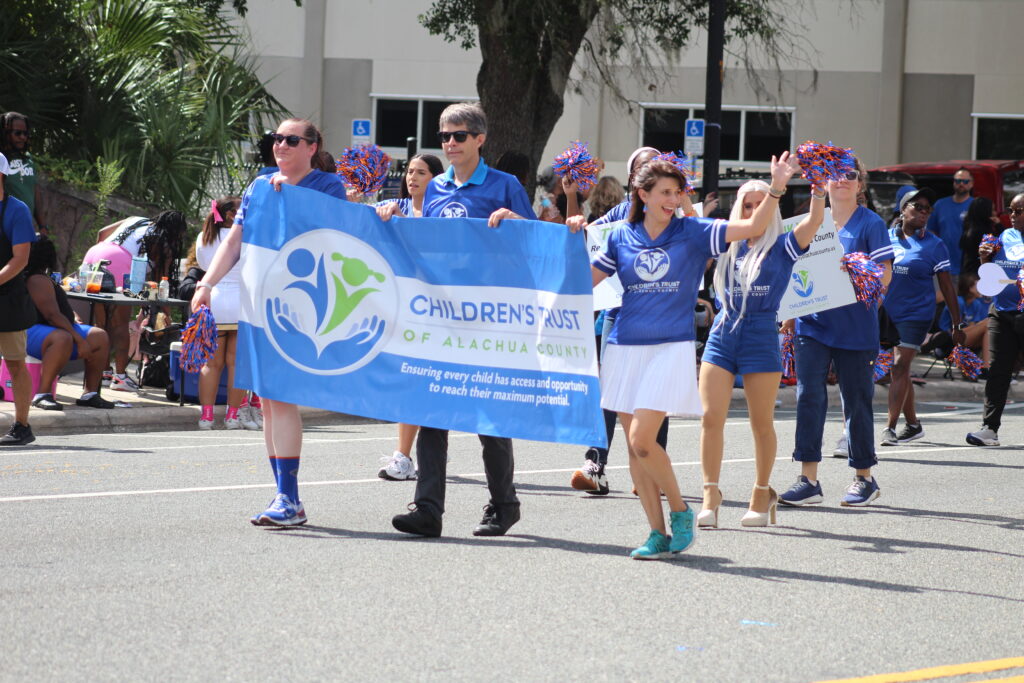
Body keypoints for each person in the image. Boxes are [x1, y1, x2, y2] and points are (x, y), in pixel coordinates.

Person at [579, 153, 799, 559]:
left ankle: (681, 512)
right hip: (623, 349)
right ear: (641, 194)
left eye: (677, 192)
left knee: (643, 439)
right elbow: (579, 283)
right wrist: (553, 231)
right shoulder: (618, 238)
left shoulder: (695, 231)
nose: (673, 198)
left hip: (670, 348)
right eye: (664, 192)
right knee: (634, 450)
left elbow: (752, 225)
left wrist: (776, 187)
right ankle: (656, 533)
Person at [379, 101, 535, 538]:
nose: (449, 143)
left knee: (489, 419)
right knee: (432, 409)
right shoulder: (434, 189)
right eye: (444, 135)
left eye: (459, 135)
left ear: (480, 139)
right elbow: (423, 247)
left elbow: (538, 240)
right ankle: (427, 509)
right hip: (440, 317)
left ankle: (504, 504)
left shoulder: (504, 185)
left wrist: (516, 220)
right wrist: (396, 217)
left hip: (487, 319)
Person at [193, 118, 348, 526]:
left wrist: (290, 201)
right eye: (276, 139)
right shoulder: (260, 185)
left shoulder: (327, 186)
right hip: (258, 303)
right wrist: (206, 283)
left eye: (291, 140)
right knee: (267, 398)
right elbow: (235, 239)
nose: (281, 145)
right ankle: (283, 495)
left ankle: (289, 498)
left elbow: (333, 235)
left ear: (312, 147)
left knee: (280, 398)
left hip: (300, 306)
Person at [698, 178, 826, 528]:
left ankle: (761, 492)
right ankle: (711, 494)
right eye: (748, 205)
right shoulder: (726, 242)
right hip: (723, 333)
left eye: (760, 204)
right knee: (710, 417)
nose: (754, 210)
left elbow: (814, 222)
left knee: (761, 423)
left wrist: (818, 188)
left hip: (760, 333)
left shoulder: (783, 245)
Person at [780, 160, 894, 508]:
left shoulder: (871, 223)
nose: (842, 180)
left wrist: (861, 278)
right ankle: (808, 479)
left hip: (856, 327)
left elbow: (885, 274)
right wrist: (789, 310)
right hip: (812, 324)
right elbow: (792, 266)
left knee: (856, 401)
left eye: (850, 174)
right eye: (835, 174)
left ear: (861, 184)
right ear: (823, 183)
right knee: (808, 397)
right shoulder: (812, 220)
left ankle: (864, 477)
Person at [373, 153, 444, 480]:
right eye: (410, 171)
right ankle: (403, 457)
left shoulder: (441, 211)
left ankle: (426, 456)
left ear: (437, 179)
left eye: (421, 172)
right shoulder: (393, 205)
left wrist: (406, 222)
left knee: (433, 388)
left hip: (440, 311)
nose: (412, 177)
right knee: (411, 382)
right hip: (404, 309)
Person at [879, 188, 964, 446]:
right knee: (900, 373)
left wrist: (957, 323)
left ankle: (890, 428)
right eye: (918, 206)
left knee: (899, 365)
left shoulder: (934, 245)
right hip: (886, 313)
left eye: (928, 209)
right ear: (903, 209)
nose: (924, 212)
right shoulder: (884, 238)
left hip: (916, 315)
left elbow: (948, 286)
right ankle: (913, 424)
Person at [89, 210, 188, 391]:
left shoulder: (135, 219)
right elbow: (161, 282)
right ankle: (120, 378)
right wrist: (166, 314)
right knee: (120, 325)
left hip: (95, 256)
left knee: (102, 324)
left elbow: (102, 233)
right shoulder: (162, 242)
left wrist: (103, 261)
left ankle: (104, 373)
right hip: (119, 262)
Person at [23, 236, 115, 410]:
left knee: (99, 336)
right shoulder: (36, 279)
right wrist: (79, 340)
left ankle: (90, 393)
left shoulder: (43, 277)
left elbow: (53, 306)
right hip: (31, 331)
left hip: (53, 329)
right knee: (62, 338)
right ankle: (42, 394)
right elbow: (51, 315)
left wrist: (72, 316)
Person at [194, 196, 257, 431]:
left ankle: (206, 417)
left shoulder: (204, 237)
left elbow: (202, 266)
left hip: (215, 301)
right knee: (236, 364)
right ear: (232, 214)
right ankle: (232, 416)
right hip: (241, 302)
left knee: (211, 364)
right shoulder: (246, 237)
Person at [965, 193, 1024, 447]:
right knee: (998, 370)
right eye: (1010, 210)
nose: (1011, 215)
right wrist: (985, 258)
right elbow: (990, 275)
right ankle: (989, 428)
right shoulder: (1006, 236)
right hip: (1001, 311)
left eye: (1018, 211)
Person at [0, 152, 37, 445]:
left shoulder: (17, 210)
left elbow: (20, 259)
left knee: (15, 363)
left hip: (8, 299)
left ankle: (22, 425)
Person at [926, 168, 974, 286]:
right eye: (957, 181)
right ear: (953, 182)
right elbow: (931, 231)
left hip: (966, 268)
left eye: (965, 181)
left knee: (960, 303)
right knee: (941, 302)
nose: (961, 184)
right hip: (942, 266)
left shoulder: (975, 205)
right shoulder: (940, 204)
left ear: (971, 184)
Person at [0, 113, 47, 234]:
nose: (23, 137)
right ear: (5, 133)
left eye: (25, 133)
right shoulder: (1, 159)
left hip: (23, 226)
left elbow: (34, 190)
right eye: (17, 133)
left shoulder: (28, 158)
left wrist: (42, 226)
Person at [933, 272, 989, 372]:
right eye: (978, 285)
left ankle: (984, 366)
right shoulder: (959, 301)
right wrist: (981, 325)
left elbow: (971, 326)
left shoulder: (976, 304)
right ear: (969, 287)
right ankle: (985, 368)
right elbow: (955, 329)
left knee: (989, 328)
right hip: (948, 339)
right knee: (988, 323)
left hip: (963, 337)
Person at [958, 197, 999, 279]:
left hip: (968, 275)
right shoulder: (984, 233)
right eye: (992, 210)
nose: (995, 213)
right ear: (985, 212)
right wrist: (999, 225)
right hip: (980, 277)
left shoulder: (969, 229)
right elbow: (1002, 246)